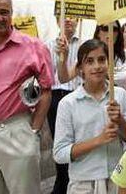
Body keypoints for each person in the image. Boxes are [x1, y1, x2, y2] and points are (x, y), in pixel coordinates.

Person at [0, 0, 53, 194]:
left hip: (16, 131)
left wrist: (33, 131)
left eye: (4, 12)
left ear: (11, 13)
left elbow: (46, 90)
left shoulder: (33, 47)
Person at [53, 39, 126, 194]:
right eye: (89, 61)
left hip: (118, 180)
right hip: (83, 183)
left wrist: (121, 121)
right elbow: (59, 153)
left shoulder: (120, 95)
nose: (97, 66)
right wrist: (98, 140)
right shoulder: (68, 104)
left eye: (102, 60)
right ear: (80, 69)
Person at [46, 17, 81, 193]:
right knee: (59, 142)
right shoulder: (47, 45)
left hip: (77, 97)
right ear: (56, 20)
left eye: (72, 18)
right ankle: (61, 181)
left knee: (78, 141)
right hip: (54, 98)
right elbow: (46, 75)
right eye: (63, 17)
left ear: (79, 20)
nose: (68, 21)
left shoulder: (84, 45)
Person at [94, 22, 126, 90]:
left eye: (115, 29)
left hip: (121, 99)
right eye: (106, 28)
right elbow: (67, 76)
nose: (110, 32)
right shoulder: (89, 53)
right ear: (98, 32)